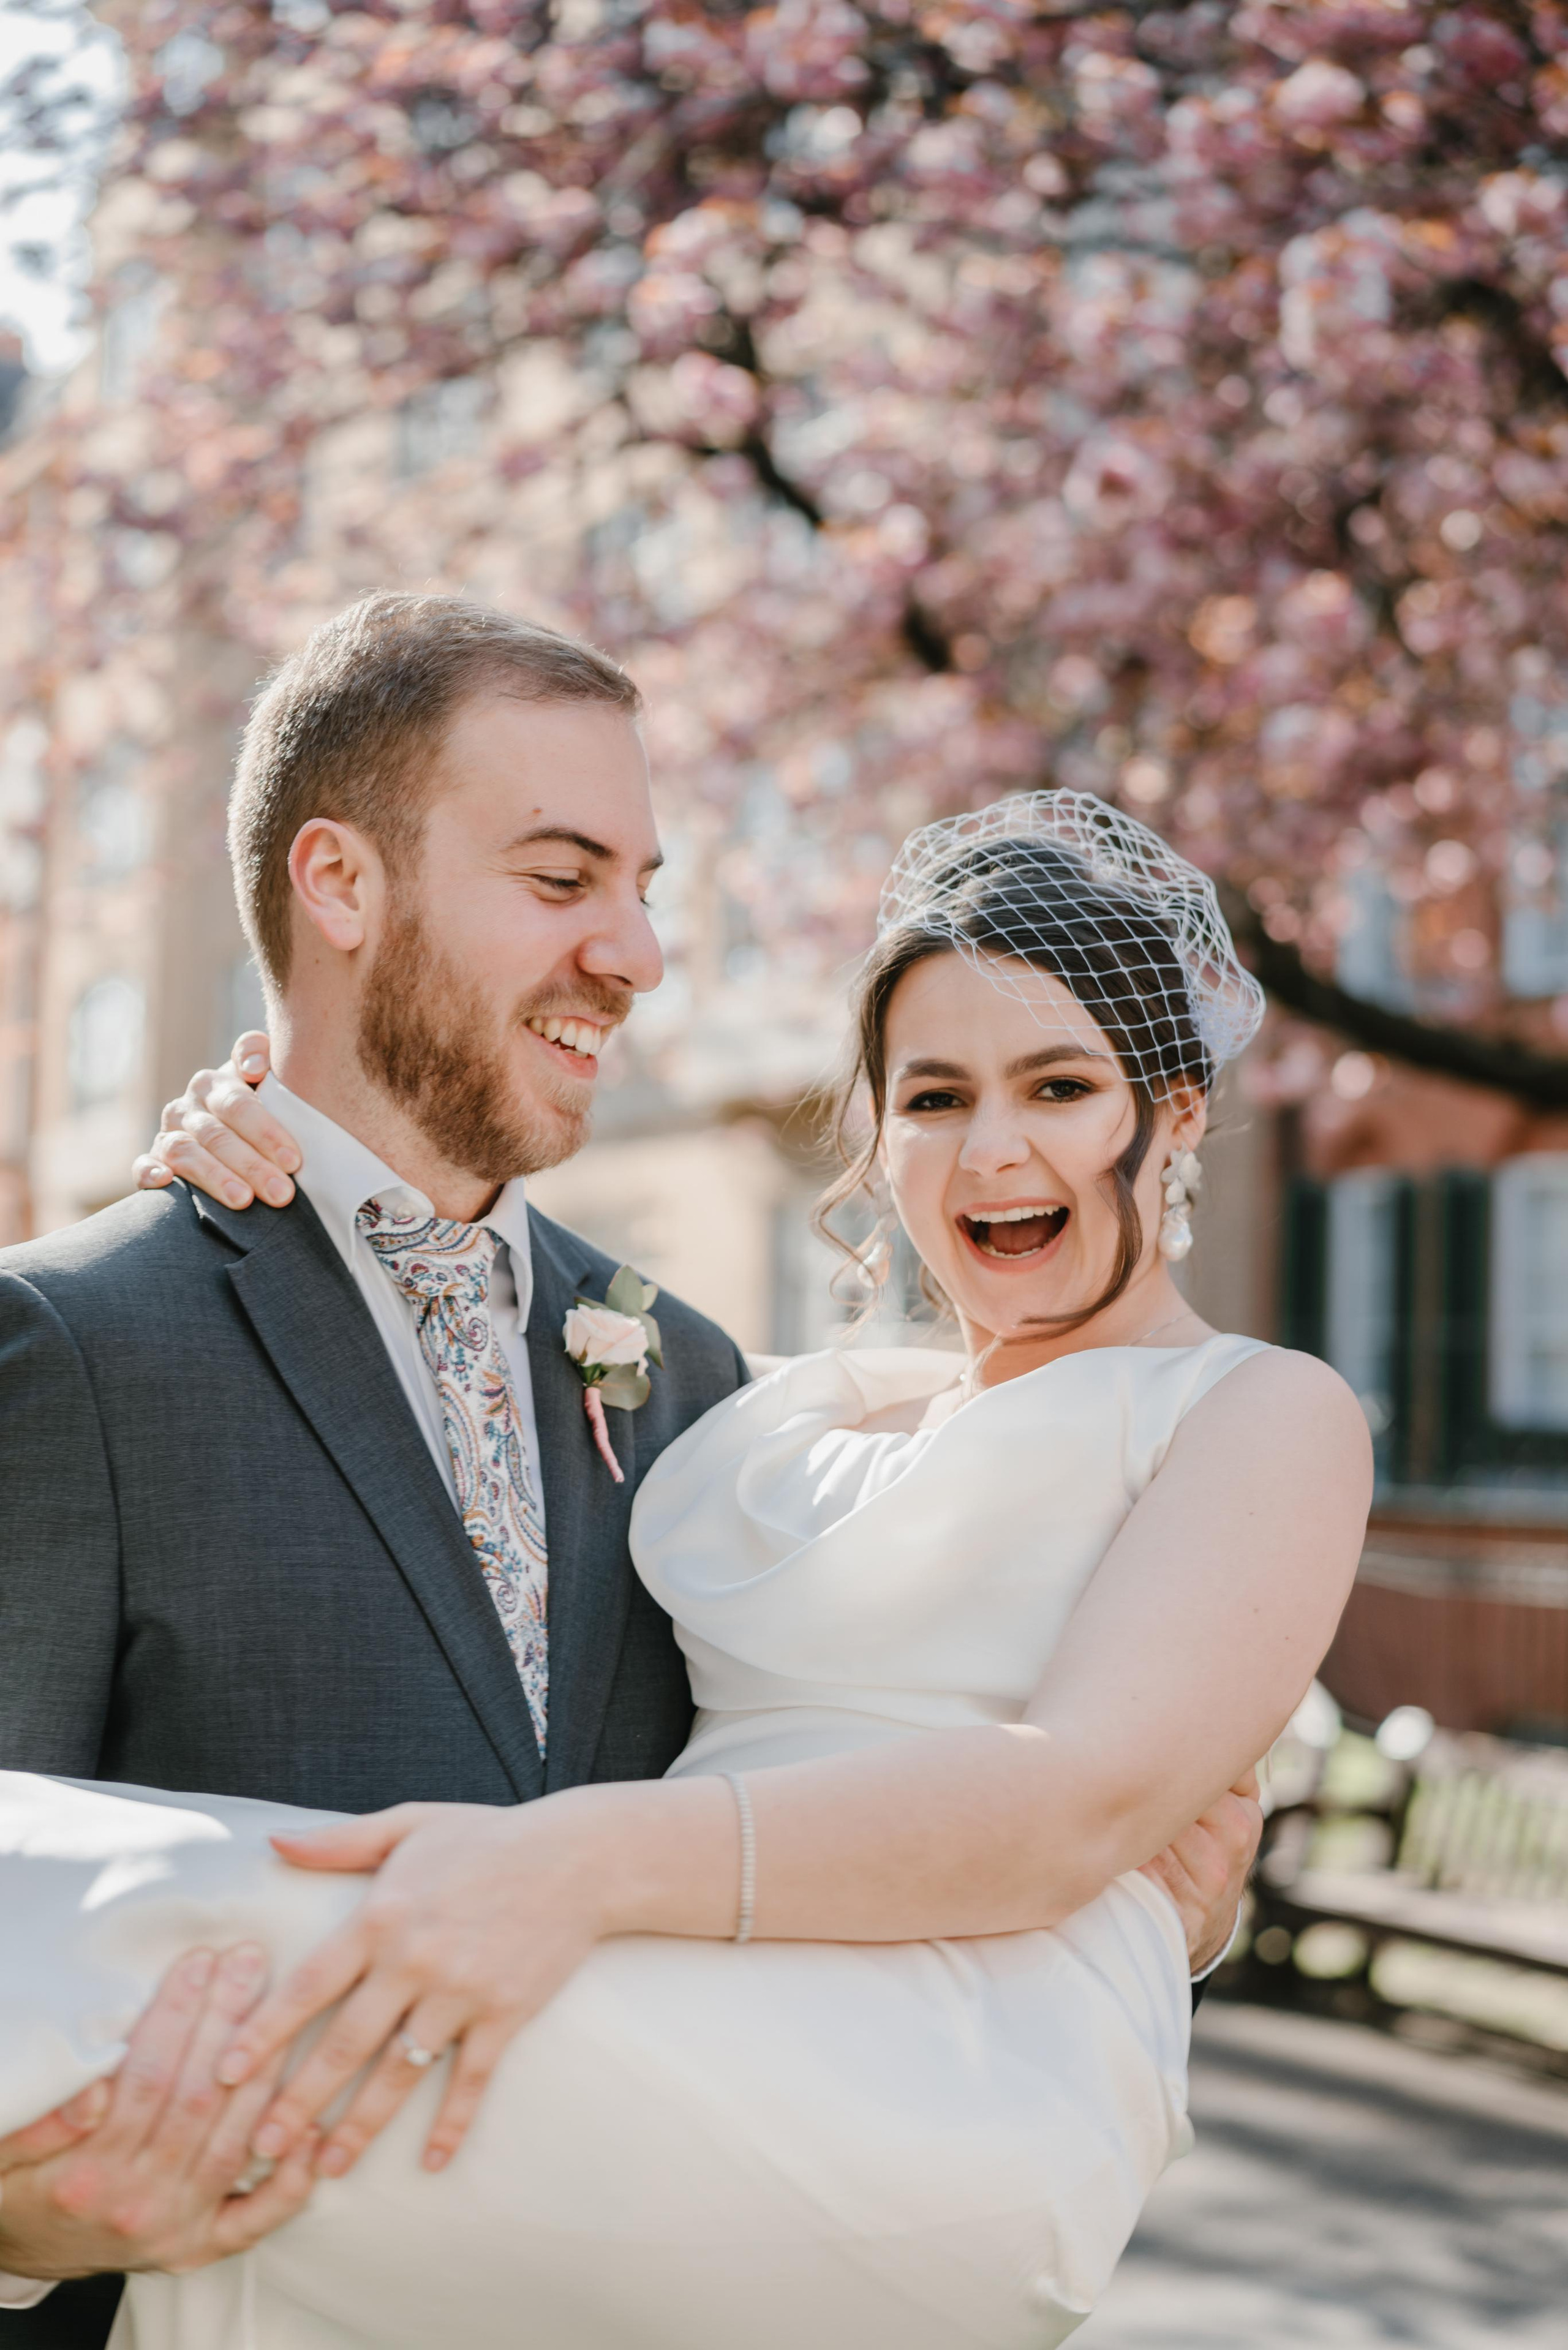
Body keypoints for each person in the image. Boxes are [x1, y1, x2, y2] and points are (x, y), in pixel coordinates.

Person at [0, 600, 1266, 2348]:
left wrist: (1124, 1914)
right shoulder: (71, 1353)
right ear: (341, 888)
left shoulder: (695, 1386)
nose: (639, 951)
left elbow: (807, 1830)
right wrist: (22, 2227)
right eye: (562, 877)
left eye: (646, 884)